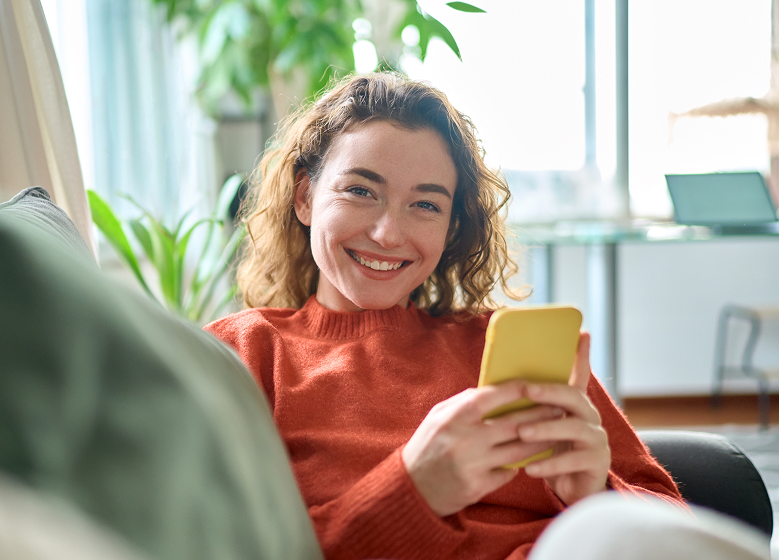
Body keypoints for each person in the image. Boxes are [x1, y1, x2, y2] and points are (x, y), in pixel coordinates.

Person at [204, 72, 683, 560]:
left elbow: (677, 529)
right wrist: (412, 490)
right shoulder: (239, 355)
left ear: (451, 228)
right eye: (361, 191)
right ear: (305, 196)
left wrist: (597, 498)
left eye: (426, 204)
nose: (389, 234)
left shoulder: (497, 344)